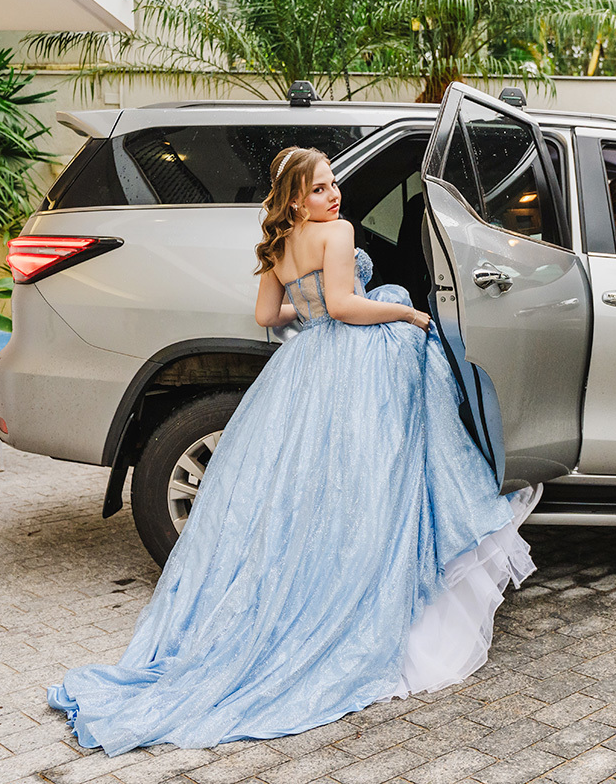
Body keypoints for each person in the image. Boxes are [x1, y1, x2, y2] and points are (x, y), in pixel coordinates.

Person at [46, 146, 538, 756]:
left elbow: (266, 314)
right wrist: (408, 313)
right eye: (319, 189)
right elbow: (346, 307)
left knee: (310, 485)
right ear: (296, 198)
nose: (332, 196)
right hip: (356, 359)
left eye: (332, 185)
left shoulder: (277, 246)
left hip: (304, 364)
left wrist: (306, 311)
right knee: (374, 474)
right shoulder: (338, 232)